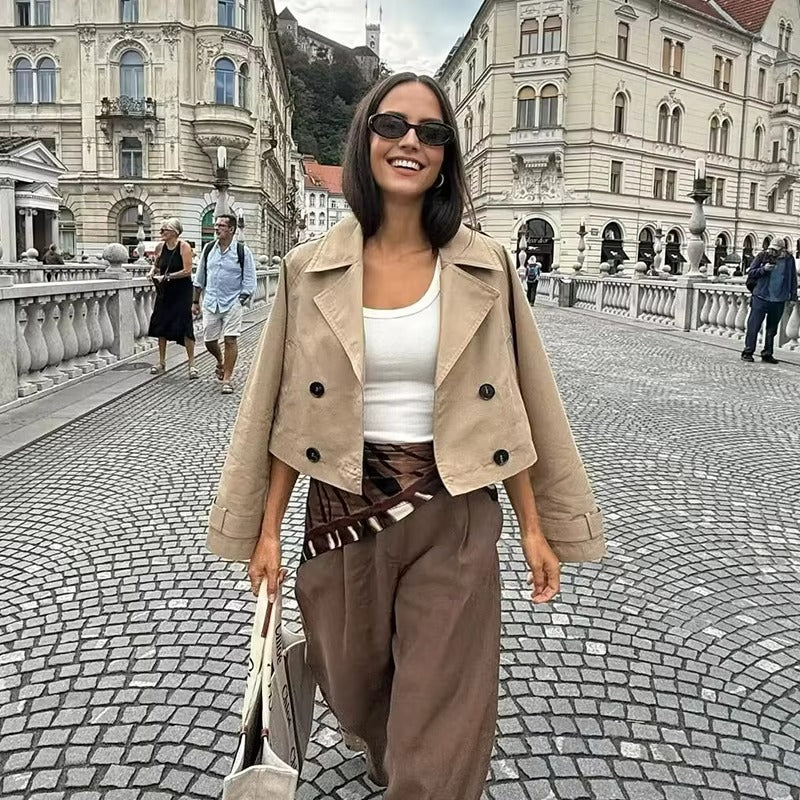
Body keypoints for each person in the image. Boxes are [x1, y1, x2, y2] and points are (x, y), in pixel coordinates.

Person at [206, 73, 605, 800]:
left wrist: (535, 528)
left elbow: (514, 406)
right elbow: (282, 412)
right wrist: (264, 530)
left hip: (455, 511)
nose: (411, 141)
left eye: (432, 132)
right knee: (353, 683)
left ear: (446, 155)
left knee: (444, 711)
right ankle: (385, 742)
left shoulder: (487, 265)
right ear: (365, 140)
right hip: (341, 514)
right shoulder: (308, 269)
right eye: (392, 126)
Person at [192, 213, 256, 395]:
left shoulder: (242, 251)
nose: (216, 228)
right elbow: (200, 277)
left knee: (230, 339)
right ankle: (220, 360)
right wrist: (195, 301)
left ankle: (227, 378)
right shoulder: (208, 249)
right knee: (209, 341)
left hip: (232, 302)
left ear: (231, 229)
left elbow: (249, 280)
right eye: (216, 225)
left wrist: (240, 300)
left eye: (221, 225)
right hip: (211, 301)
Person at [146, 218, 197, 378]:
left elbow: (187, 271)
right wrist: (152, 272)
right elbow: (157, 265)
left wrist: (167, 276)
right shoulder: (160, 247)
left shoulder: (184, 246)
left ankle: (192, 365)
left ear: (174, 232)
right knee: (161, 324)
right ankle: (161, 362)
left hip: (182, 292)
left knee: (185, 325)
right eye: (161, 230)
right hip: (165, 291)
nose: (161, 232)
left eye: (164, 230)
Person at [741, 236, 798, 364]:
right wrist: (763, 269)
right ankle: (748, 352)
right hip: (760, 296)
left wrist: (793, 296)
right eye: (772, 249)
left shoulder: (789, 259)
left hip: (779, 299)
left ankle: (767, 353)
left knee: (772, 329)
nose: (774, 252)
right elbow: (751, 272)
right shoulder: (762, 256)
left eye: (777, 250)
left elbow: (793, 278)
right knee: (753, 326)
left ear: (783, 250)